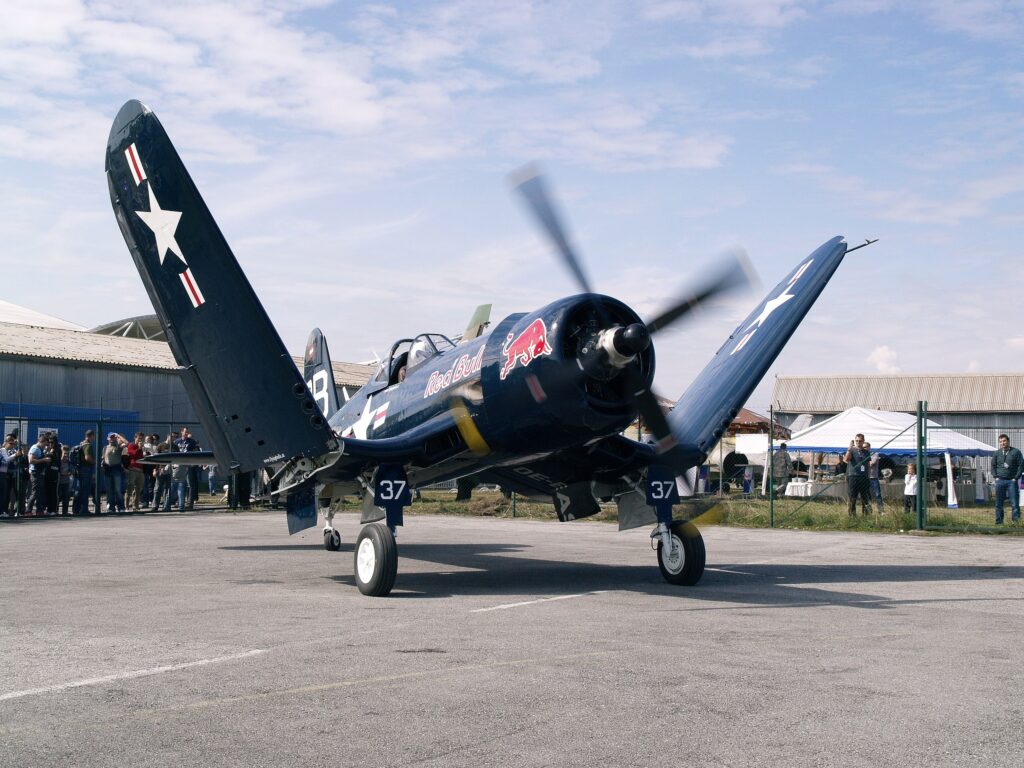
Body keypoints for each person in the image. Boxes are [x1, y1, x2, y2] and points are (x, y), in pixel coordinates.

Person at [992, 433, 1023, 525]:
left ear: (1008, 441)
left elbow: (1021, 466)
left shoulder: (1016, 452)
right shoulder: (997, 453)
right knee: (998, 503)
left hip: (1011, 481)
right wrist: (996, 477)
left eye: (1004, 441)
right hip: (1000, 481)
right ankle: (999, 523)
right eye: (1001, 441)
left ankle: (1016, 524)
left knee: (1014, 503)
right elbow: (993, 466)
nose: (1002, 443)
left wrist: (1016, 478)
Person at [843, 433, 872, 517]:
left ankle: (866, 515)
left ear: (863, 441)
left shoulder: (866, 452)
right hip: (853, 476)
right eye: (857, 441)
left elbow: (868, 465)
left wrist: (868, 477)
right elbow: (846, 460)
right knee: (852, 497)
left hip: (863, 477)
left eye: (860, 441)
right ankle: (852, 515)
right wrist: (849, 449)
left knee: (865, 497)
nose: (858, 442)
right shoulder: (851, 450)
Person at [25, 433, 52, 516]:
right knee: (35, 492)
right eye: (45, 444)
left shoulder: (40, 449)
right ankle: (28, 510)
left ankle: (39, 510)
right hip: (35, 473)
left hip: (39, 473)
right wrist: (44, 459)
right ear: (41, 442)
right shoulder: (35, 448)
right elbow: (31, 461)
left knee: (40, 492)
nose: (45, 446)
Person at [102, 432, 128, 513]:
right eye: (111, 437)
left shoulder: (118, 447)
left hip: (116, 470)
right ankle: (111, 507)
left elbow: (127, 443)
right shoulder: (105, 448)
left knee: (117, 490)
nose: (112, 439)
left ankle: (121, 507)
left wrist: (118, 436)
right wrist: (102, 464)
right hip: (107, 470)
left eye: (113, 437)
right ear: (108, 438)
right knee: (109, 490)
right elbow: (103, 458)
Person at [72, 430, 97, 515]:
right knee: (85, 490)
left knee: (79, 489)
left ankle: (76, 509)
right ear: (91, 436)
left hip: (80, 469)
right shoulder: (88, 445)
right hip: (86, 469)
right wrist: (94, 461)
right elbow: (87, 457)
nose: (94, 438)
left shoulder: (81, 444)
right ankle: (84, 509)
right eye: (93, 436)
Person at [124, 433, 146, 511]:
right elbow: (132, 454)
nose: (140, 440)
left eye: (141, 439)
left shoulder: (142, 447)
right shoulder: (131, 445)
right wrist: (139, 448)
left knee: (138, 489)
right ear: (135, 438)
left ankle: (135, 506)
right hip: (132, 469)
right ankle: (126, 506)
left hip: (140, 470)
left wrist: (143, 451)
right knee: (130, 488)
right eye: (139, 438)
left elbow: (143, 457)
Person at [865, 442, 883, 512]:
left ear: (869, 447)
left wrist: (863, 463)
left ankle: (881, 511)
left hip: (873, 478)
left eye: (866, 447)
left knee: (877, 495)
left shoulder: (875, 454)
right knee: (867, 495)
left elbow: (871, 463)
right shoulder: (863, 455)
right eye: (863, 447)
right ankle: (869, 511)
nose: (864, 448)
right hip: (866, 478)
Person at [57, 445, 73, 515]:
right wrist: (62, 473)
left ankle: (65, 511)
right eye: (64, 453)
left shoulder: (69, 462)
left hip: (66, 482)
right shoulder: (58, 462)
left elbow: (72, 470)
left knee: (66, 497)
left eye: (67, 453)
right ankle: (56, 511)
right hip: (59, 482)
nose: (66, 455)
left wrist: (69, 472)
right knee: (58, 497)